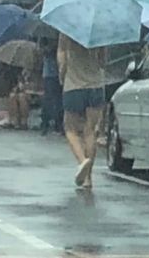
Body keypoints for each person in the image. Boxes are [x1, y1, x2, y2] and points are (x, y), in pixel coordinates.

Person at [58, 35, 107, 189]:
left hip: (74, 85)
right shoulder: (100, 33)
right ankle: (88, 179)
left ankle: (82, 161)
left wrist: (62, 77)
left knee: (70, 129)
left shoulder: (67, 30)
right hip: (95, 85)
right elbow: (102, 62)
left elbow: (62, 59)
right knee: (90, 131)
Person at [40, 37, 63, 135]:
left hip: (55, 74)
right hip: (50, 74)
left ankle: (56, 124)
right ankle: (47, 123)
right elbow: (42, 51)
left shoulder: (60, 39)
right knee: (50, 100)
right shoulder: (45, 39)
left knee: (56, 100)